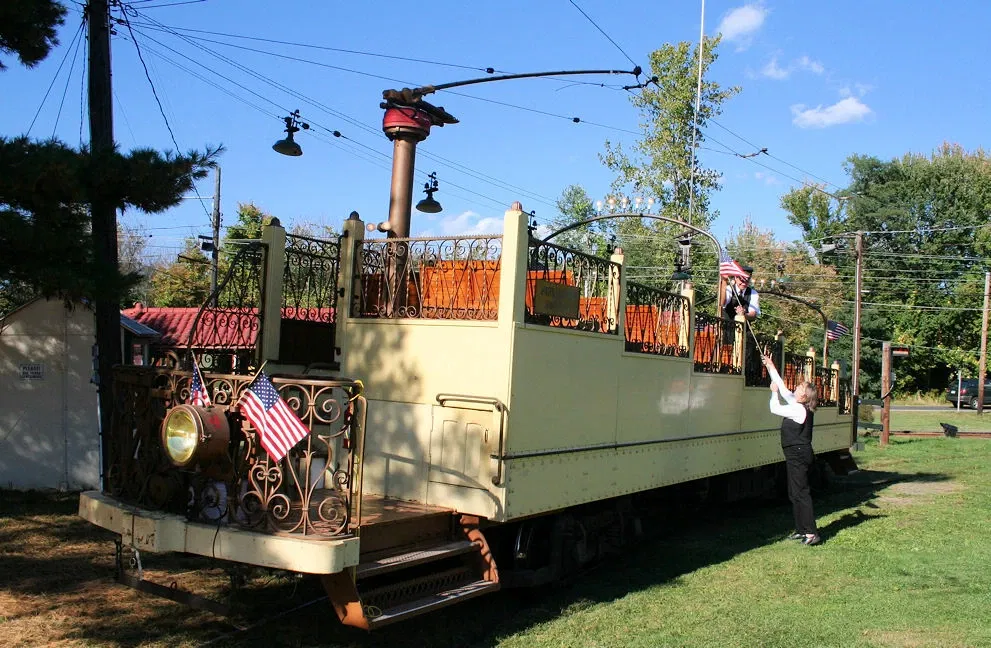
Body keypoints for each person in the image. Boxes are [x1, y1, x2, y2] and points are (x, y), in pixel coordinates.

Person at [760, 353, 821, 546]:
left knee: (801, 493)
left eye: (800, 388)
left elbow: (775, 408)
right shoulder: (798, 404)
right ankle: (801, 530)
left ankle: (811, 533)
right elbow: (783, 387)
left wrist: (773, 393)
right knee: (794, 493)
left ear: (804, 396)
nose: (796, 388)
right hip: (796, 454)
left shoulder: (799, 409)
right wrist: (770, 366)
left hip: (799, 454)